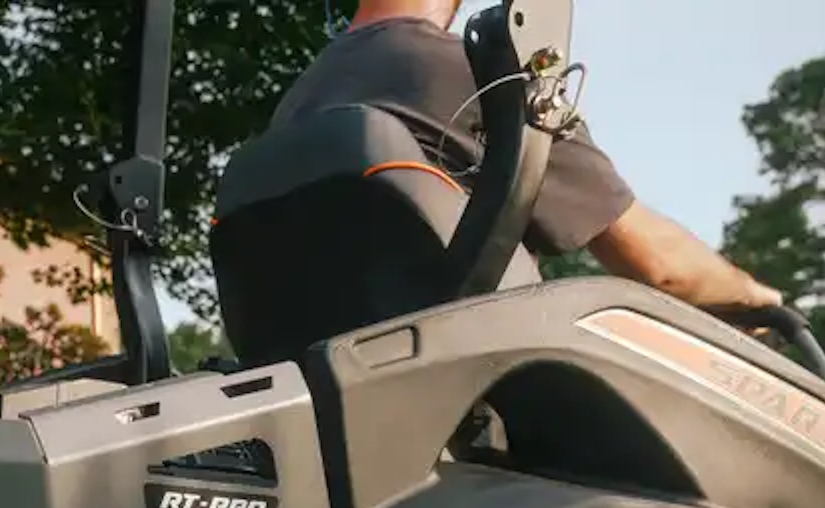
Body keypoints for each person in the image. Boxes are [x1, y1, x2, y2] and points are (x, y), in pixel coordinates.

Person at [272, 0, 783, 311]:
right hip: (477, 415)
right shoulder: (471, 75)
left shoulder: (296, 104)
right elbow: (661, 265)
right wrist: (753, 296)